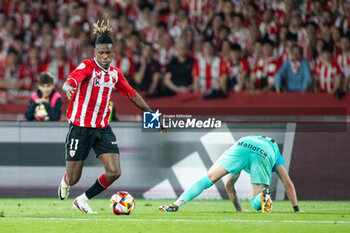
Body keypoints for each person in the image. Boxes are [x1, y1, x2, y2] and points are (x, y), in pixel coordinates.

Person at [57, 20, 165, 214]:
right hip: (80, 127)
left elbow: (132, 94)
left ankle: (82, 200)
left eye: (108, 53)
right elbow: (71, 80)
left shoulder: (115, 74)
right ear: (95, 53)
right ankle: (66, 180)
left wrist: (153, 116)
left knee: (114, 171)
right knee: (74, 178)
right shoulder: (87, 66)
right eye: (101, 53)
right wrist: (68, 87)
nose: (105, 57)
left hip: (102, 128)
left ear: (113, 53)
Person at [159, 135, 302, 213]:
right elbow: (287, 182)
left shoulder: (254, 141)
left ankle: (176, 204)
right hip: (264, 153)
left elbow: (229, 185)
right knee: (256, 203)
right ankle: (263, 196)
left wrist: (239, 209)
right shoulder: (277, 155)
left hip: (244, 143)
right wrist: (296, 208)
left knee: (209, 179)